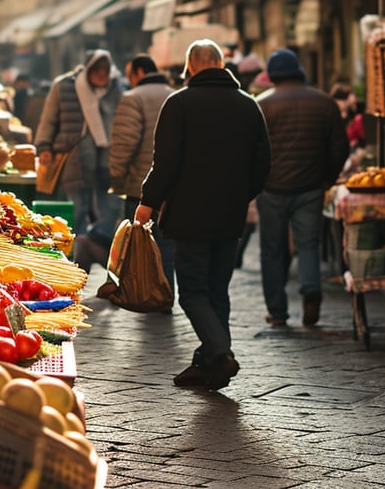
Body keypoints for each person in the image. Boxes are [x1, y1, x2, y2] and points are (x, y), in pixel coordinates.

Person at [134, 40, 271, 389]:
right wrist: (240, 195)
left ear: (190, 66)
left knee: (193, 291)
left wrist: (148, 202)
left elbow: (165, 163)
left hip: (189, 214)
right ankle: (211, 363)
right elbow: (262, 165)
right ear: (222, 64)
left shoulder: (179, 104)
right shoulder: (248, 105)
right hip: (230, 214)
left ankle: (220, 352)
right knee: (217, 290)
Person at [256, 49, 348, 328]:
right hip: (310, 187)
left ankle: (278, 310)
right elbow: (339, 148)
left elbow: (251, 150)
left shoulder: (261, 104)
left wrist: (257, 181)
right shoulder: (324, 103)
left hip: (271, 188)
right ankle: (311, 291)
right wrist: (327, 178)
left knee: (272, 249)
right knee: (308, 244)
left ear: (272, 75)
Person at [36, 49, 123, 268]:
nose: (103, 75)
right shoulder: (64, 86)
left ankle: (96, 243)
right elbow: (49, 119)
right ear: (89, 69)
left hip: (106, 158)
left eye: (106, 70)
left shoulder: (114, 88)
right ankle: (77, 254)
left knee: (109, 205)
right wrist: (44, 146)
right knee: (79, 205)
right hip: (74, 157)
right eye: (98, 70)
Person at [109, 54, 176, 294]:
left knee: (139, 246)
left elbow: (124, 145)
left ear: (138, 72)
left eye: (130, 76)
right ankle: (166, 292)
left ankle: (142, 293)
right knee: (165, 246)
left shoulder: (132, 98)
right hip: (170, 186)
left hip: (140, 185)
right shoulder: (174, 94)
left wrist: (116, 178)